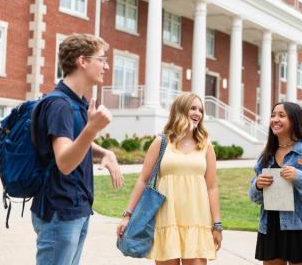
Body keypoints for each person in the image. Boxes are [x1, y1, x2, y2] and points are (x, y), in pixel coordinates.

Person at [31, 33, 124, 265]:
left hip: (75, 209)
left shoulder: (77, 102)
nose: (106, 65)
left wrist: (104, 152)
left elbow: (74, 141)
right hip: (59, 212)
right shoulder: (59, 104)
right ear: (82, 61)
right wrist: (92, 128)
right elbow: (64, 161)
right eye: (102, 59)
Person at [117, 92, 222, 265]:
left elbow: (212, 187)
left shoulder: (206, 144)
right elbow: (143, 180)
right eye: (193, 108)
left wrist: (217, 225)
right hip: (167, 219)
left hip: (196, 220)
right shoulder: (162, 141)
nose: (198, 113)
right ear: (180, 110)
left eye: (200, 110)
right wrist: (127, 215)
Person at [249, 102, 302, 265]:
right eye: (273, 115)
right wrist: (257, 185)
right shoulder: (267, 154)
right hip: (271, 226)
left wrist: (299, 176)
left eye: (281, 115)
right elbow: (254, 196)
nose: (275, 119)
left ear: (295, 121)